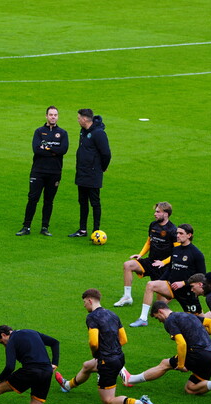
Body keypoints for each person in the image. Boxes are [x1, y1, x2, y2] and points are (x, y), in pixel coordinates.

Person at [54, 289, 160, 404]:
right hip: (119, 358)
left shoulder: (92, 317)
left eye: (84, 302)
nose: (84, 305)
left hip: (107, 362)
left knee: (108, 400)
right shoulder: (112, 314)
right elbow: (124, 339)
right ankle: (67, 385)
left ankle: (141, 403)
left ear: (90, 300)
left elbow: (93, 342)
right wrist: (110, 349)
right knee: (87, 366)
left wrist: (97, 353)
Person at [121, 301, 211, 401]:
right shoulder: (188, 315)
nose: (160, 321)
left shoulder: (170, 320)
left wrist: (181, 365)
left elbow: (182, 343)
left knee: (165, 364)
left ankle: (130, 379)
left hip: (197, 353)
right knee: (190, 388)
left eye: (158, 318)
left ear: (160, 311)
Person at [130, 223, 205, 327]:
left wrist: (183, 283)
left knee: (199, 321)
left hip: (187, 291)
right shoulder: (175, 250)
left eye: (181, 233)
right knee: (151, 285)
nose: (177, 235)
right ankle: (143, 318)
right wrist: (161, 280)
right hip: (171, 287)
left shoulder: (196, 254)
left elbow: (202, 276)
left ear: (189, 235)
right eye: (177, 233)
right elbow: (170, 268)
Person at [113, 202, 178, 307]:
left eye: (158, 212)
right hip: (150, 261)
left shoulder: (173, 230)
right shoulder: (153, 225)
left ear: (166, 214)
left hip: (163, 267)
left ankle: (171, 294)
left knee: (158, 304)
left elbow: (177, 253)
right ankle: (127, 297)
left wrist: (163, 262)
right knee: (128, 265)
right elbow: (149, 242)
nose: (155, 214)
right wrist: (140, 254)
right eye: (155, 211)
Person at [17, 106, 68, 237]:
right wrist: (53, 151)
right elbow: (36, 149)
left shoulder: (63, 133)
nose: (53, 117)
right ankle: (26, 226)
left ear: (58, 117)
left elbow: (63, 150)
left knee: (48, 200)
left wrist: (47, 148)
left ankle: (45, 227)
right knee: (33, 199)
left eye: (55, 115)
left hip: (54, 172)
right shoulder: (39, 132)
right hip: (38, 172)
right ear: (46, 116)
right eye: (51, 114)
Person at [68, 108, 111, 238]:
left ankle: (96, 230)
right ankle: (82, 229)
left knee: (95, 202)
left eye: (79, 118)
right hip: (82, 172)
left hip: (93, 174)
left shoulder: (99, 134)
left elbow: (106, 153)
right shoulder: (83, 132)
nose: (78, 120)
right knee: (82, 202)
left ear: (85, 119)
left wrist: (102, 168)